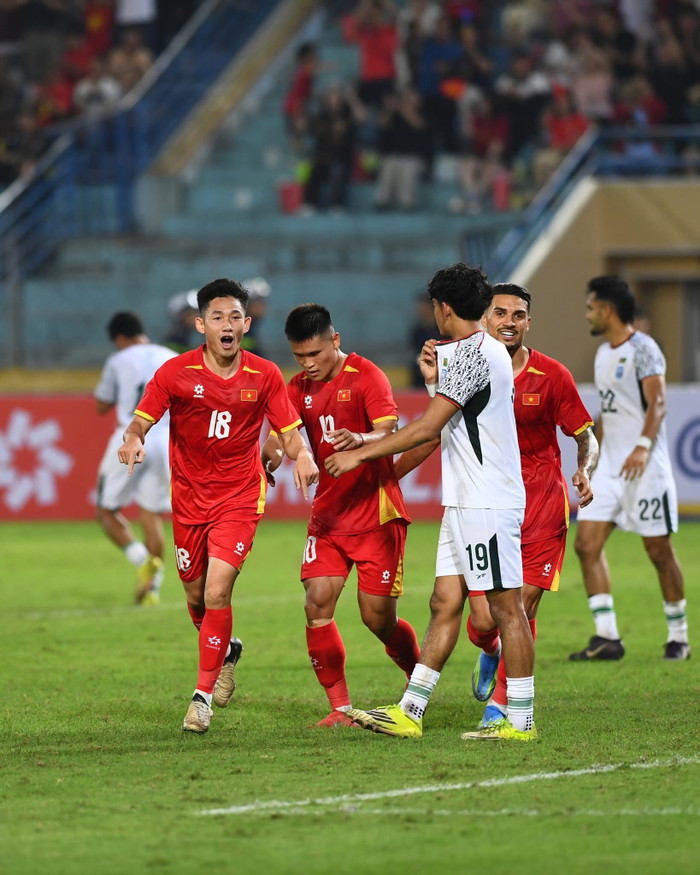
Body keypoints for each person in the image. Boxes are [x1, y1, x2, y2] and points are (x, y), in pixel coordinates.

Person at [326, 263, 537, 741]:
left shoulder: (472, 354)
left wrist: (359, 456)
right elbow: (455, 421)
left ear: (443, 309)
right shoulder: (476, 351)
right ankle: (411, 710)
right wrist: (431, 384)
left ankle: (521, 721)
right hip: (463, 502)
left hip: (487, 503)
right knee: (444, 602)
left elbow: (426, 430)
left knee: (506, 610)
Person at [118, 279, 319, 733]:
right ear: (200, 324)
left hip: (240, 497)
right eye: (217, 318)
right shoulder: (175, 373)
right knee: (195, 597)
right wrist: (132, 439)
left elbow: (288, 431)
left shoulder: (264, 374)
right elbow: (141, 419)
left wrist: (302, 454)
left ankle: (201, 699)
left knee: (217, 592)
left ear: (246, 324)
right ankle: (226, 651)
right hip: (189, 500)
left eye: (234, 318)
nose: (226, 326)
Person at [262, 304, 421, 728]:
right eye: (299, 357)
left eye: (315, 354)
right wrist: (272, 457)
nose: (308, 365)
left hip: (376, 515)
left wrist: (360, 438)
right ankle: (340, 707)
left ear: (335, 340)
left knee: (377, 618)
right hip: (329, 520)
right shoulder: (296, 387)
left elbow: (389, 431)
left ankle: (417, 677)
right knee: (316, 603)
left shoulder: (367, 375)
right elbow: (284, 435)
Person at [464, 283, 598, 728]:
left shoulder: (552, 375)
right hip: (487, 503)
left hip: (541, 504)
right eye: (499, 313)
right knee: (484, 620)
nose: (508, 321)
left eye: (517, 315)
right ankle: (491, 649)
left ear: (528, 322)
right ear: (485, 319)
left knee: (522, 606)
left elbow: (585, 436)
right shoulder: (469, 370)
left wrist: (585, 469)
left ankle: (502, 704)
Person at [571, 275, 690, 661]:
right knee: (586, 545)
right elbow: (609, 410)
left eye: (590, 307)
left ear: (606, 310)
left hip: (645, 468)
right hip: (610, 470)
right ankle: (607, 636)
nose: (587, 314)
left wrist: (641, 448)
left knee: (658, 551)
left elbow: (657, 404)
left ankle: (679, 637)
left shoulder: (644, 349)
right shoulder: (604, 352)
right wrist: (592, 458)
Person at [95, 312, 176, 605]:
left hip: (131, 436)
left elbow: (102, 404)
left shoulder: (118, 360)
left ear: (119, 338)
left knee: (106, 510)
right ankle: (152, 590)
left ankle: (143, 561)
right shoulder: (170, 357)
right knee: (151, 514)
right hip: (165, 438)